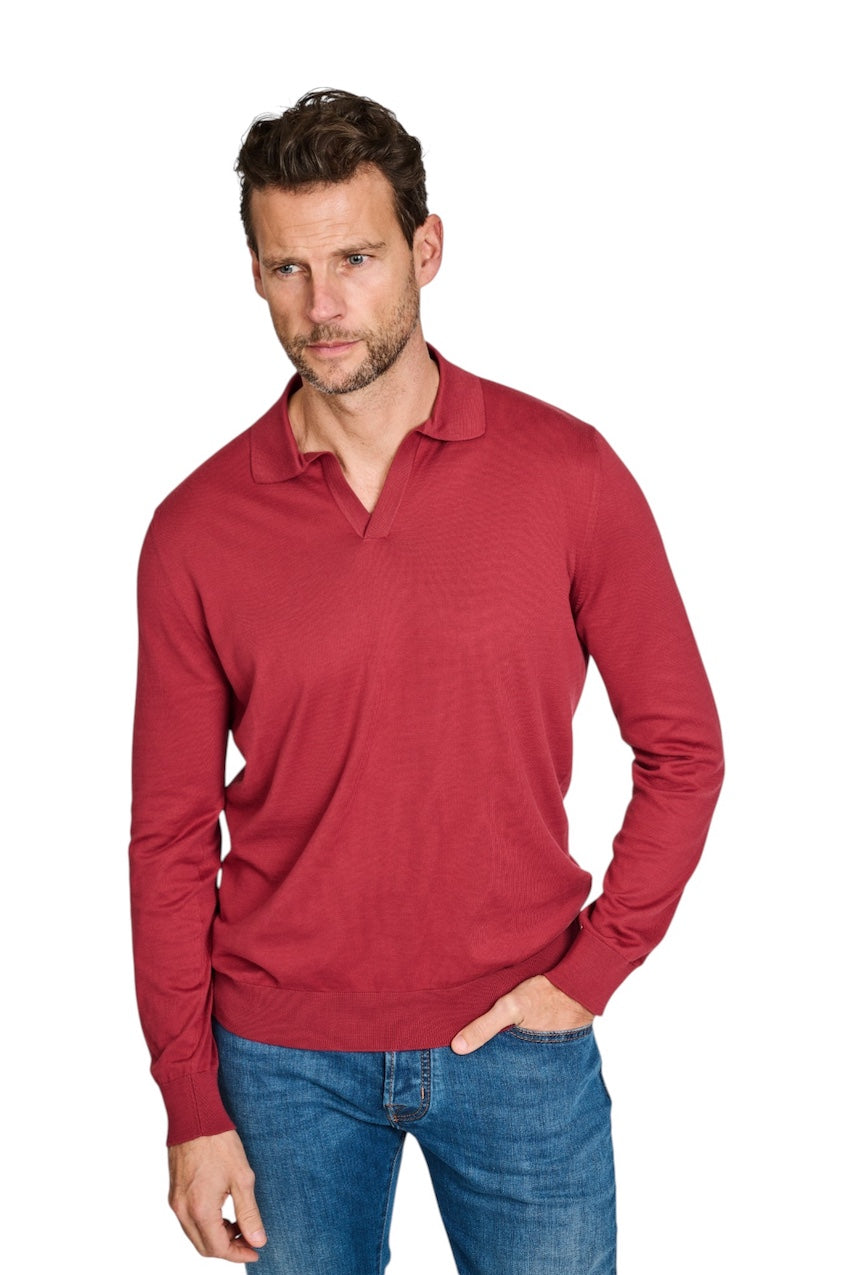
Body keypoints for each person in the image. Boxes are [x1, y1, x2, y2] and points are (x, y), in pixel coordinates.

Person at [129, 89, 724, 1274]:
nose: (322, 305)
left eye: (354, 258)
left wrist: (595, 968)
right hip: (281, 1061)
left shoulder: (567, 475)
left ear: (426, 249)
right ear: (255, 275)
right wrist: (190, 1100)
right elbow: (169, 835)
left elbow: (683, 749)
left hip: (518, 1038)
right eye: (288, 268)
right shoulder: (195, 530)